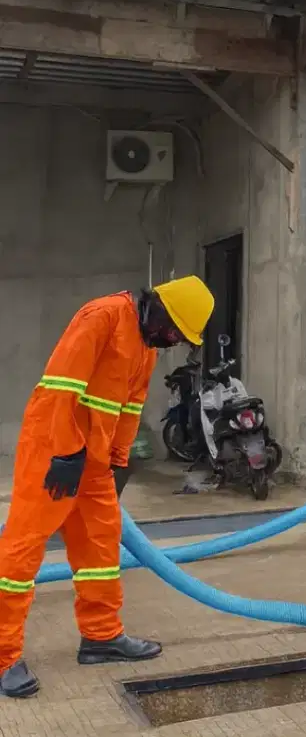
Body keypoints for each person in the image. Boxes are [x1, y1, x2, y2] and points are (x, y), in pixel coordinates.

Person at [0, 276, 215, 699]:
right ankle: (3, 655)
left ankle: (101, 637)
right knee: (23, 548)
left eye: (178, 338)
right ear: (158, 307)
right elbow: (62, 385)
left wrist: (118, 462)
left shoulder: (145, 347)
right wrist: (64, 452)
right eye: (172, 330)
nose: (171, 341)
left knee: (99, 547)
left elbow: (129, 407)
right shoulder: (102, 316)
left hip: (95, 460)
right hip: (54, 451)